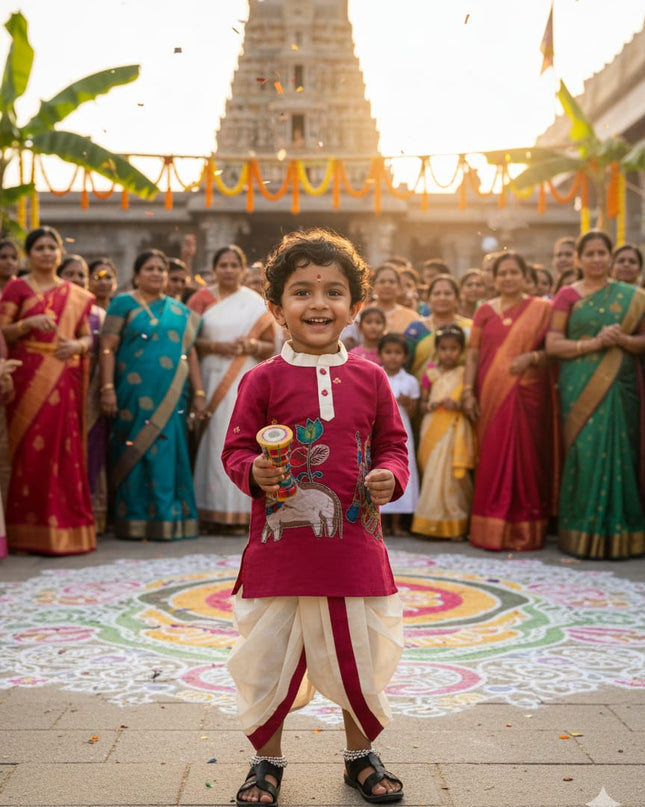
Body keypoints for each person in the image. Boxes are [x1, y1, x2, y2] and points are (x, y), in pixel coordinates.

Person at [222, 229, 407, 806]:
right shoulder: (262, 379)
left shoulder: (372, 378)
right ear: (276, 308)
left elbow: (394, 447)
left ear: (355, 307)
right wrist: (253, 472)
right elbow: (235, 450)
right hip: (280, 553)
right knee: (268, 660)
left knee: (361, 658)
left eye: (334, 292)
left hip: (355, 546)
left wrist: (390, 478)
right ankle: (266, 762)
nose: (318, 304)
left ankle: (359, 758)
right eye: (302, 292)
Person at [546, 230, 645, 560]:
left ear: (611, 257)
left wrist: (622, 341)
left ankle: (623, 532)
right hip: (578, 384)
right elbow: (553, 344)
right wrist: (594, 343)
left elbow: (642, 341)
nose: (597, 259)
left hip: (621, 382)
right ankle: (580, 533)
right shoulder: (567, 296)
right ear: (579, 258)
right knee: (585, 455)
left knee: (622, 455)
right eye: (589, 253)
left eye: (603, 253)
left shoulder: (632, 296)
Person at [0, 226, 96, 555]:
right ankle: (27, 532)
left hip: (63, 379)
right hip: (27, 379)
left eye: (51, 247)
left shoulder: (74, 293)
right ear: (29, 254)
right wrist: (27, 324)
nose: (46, 253)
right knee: (30, 454)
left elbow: (86, 337)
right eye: (39, 247)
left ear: (59, 251)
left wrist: (78, 345)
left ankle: (69, 530)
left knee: (65, 453)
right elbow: (3, 333)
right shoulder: (16, 288)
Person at [99, 249, 206, 540]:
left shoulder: (180, 311)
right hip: (130, 395)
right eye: (150, 269)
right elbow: (107, 347)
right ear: (136, 274)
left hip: (171, 395)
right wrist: (107, 388)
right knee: (131, 449)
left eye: (161, 269)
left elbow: (190, 354)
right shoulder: (122, 304)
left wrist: (198, 392)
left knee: (167, 452)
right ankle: (132, 519)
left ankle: (167, 518)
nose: (157, 274)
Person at [463, 251, 556, 552]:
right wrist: (467, 390)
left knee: (528, 459)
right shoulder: (484, 311)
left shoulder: (542, 308)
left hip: (528, 393)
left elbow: (553, 350)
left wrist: (533, 357)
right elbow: (473, 354)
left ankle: (525, 531)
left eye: (513, 272)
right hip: (489, 394)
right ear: (493, 277)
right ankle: (489, 530)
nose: (507, 278)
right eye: (502, 273)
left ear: (525, 276)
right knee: (490, 459)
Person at [188, 245, 275, 530]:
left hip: (245, 380)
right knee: (215, 442)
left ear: (242, 268)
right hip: (210, 378)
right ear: (214, 269)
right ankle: (213, 511)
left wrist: (251, 345)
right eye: (222, 265)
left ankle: (243, 512)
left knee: (244, 440)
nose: (228, 270)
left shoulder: (254, 302)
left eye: (233, 265)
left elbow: (270, 348)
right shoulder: (200, 299)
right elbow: (186, 342)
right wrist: (215, 346)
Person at [59, 255, 109, 533]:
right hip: (59, 389)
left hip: (91, 392)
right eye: (70, 274)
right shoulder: (54, 309)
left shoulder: (98, 315)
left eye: (81, 275)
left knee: (92, 451)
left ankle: (92, 516)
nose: (77, 280)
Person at [412, 324, 476, 539]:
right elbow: (422, 404)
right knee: (432, 474)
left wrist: (456, 405)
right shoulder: (430, 372)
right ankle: (429, 524)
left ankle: (455, 525)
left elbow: (469, 403)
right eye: (444, 348)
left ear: (461, 350)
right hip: (433, 424)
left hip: (454, 428)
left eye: (454, 348)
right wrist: (432, 405)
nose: (449, 353)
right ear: (437, 350)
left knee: (452, 477)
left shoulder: (464, 374)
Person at [378, 333, 420, 536]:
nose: (393, 357)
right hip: (381, 430)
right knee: (381, 469)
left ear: (404, 356)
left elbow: (413, 413)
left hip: (404, 431)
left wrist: (408, 403)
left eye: (398, 353)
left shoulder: (411, 381)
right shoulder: (377, 375)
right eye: (388, 352)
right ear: (380, 355)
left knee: (402, 469)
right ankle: (382, 523)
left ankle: (397, 524)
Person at [405, 275, 472, 381]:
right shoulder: (416, 328)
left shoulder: (469, 327)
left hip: (459, 392)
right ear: (428, 298)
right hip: (422, 393)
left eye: (447, 293)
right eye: (437, 294)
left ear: (457, 298)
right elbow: (405, 364)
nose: (442, 297)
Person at [371, 263, 420, 334]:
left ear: (399, 286)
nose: (387, 285)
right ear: (374, 285)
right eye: (382, 282)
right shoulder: (363, 313)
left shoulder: (412, 317)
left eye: (392, 282)